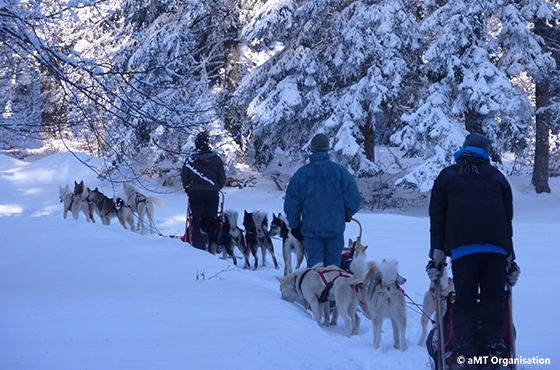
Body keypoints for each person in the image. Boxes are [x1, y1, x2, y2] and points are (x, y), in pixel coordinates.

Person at [426, 133, 521, 370]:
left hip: (463, 252)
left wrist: (436, 257)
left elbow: (438, 219)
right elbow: (506, 221)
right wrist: (511, 259)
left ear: (463, 150)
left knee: (465, 304)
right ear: (486, 153)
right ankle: (493, 354)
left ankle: (466, 355)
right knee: (493, 303)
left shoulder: (448, 175)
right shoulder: (497, 177)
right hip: (496, 252)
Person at [284, 133, 361, 268]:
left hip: (311, 230)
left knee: (315, 267)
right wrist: (347, 214)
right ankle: (331, 287)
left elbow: (292, 202)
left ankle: (316, 288)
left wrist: (295, 225)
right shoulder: (340, 171)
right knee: (333, 267)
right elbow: (353, 198)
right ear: (327, 149)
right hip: (334, 229)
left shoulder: (302, 174)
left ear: (312, 150)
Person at [181, 131, 226, 251]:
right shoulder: (216, 159)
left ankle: (198, 246)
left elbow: (184, 176)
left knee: (197, 219)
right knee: (212, 219)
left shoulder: (191, 159)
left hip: (195, 192)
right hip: (212, 192)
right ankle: (214, 244)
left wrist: (187, 188)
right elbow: (222, 177)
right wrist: (217, 187)